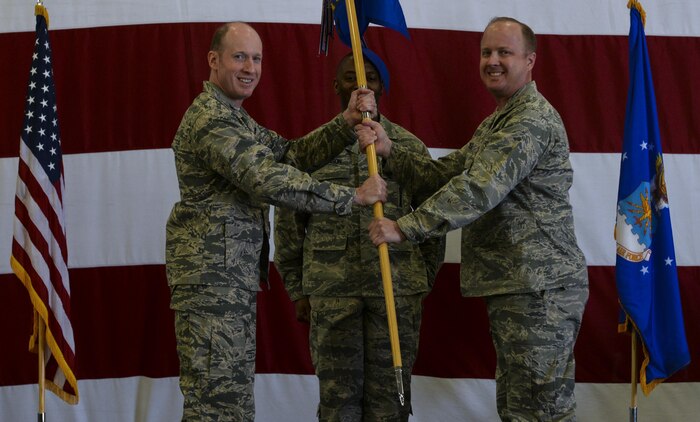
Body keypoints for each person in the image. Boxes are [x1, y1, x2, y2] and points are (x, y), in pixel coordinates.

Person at [357, 17, 589, 421]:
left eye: (505, 52)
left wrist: (403, 227)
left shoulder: (528, 120)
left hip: (540, 289)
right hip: (521, 286)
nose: (493, 61)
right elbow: (447, 176)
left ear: (530, 60)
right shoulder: (498, 121)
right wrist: (390, 148)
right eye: (486, 52)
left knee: (539, 411)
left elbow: (479, 190)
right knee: (520, 408)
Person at [165, 22, 387, 422]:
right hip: (211, 284)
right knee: (216, 407)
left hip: (227, 281)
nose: (250, 67)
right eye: (239, 56)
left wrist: (346, 122)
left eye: (257, 58)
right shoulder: (210, 120)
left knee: (230, 401)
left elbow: (290, 156)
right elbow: (266, 179)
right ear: (214, 60)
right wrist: (350, 197)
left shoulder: (236, 119)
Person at [274, 52, 444, 421]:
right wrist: (298, 289)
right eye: (351, 78)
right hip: (333, 295)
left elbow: (432, 221)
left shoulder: (407, 148)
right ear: (337, 86)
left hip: (395, 293)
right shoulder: (314, 150)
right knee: (338, 405)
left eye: (370, 78)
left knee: (392, 404)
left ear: (383, 87)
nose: (361, 85)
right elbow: (289, 221)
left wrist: (418, 284)